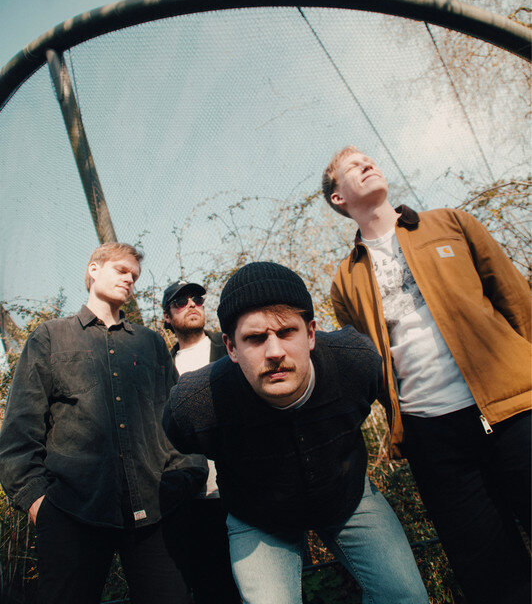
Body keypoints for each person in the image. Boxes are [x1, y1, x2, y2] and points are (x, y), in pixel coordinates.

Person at [321, 145, 531, 604]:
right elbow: (368, 363)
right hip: (432, 438)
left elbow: (517, 301)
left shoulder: (451, 223)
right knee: (492, 578)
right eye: (353, 166)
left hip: (514, 409)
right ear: (338, 197)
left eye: (369, 158)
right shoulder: (344, 280)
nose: (368, 163)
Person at [163, 261, 429, 604]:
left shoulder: (354, 362)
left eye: (287, 332)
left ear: (311, 333)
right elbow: (179, 436)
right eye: (255, 338)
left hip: (345, 494)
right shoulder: (197, 402)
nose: (275, 352)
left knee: (405, 596)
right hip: (258, 516)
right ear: (230, 347)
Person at [0, 243, 207, 604]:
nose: (130, 279)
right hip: (71, 513)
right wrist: (38, 504)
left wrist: (184, 478)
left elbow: (176, 422)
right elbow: (20, 431)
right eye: (121, 270)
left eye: (134, 276)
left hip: (154, 513)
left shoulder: (150, 344)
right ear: (94, 269)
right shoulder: (50, 337)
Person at [162, 279, 241, 604]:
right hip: (194, 504)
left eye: (197, 298)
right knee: (215, 592)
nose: (192, 304)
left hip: (246, 492)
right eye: (181, 301)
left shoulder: (232, 349)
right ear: (167, 317)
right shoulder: (161, 368)